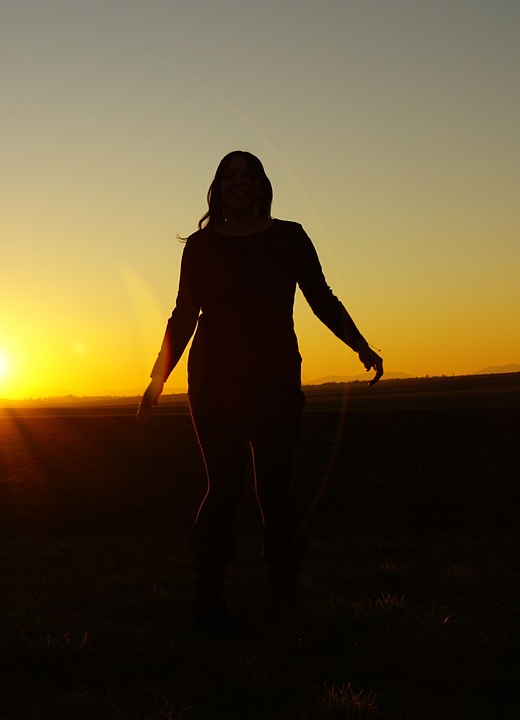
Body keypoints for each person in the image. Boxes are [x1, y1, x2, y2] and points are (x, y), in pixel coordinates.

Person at [137, 150, 382, 634]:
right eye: (229, 176)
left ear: (262, 185)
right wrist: (157, 378)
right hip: (213, 383)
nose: (238, 183)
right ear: (217, 187)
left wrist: (360, 345)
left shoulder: (289, 237)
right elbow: (184, 312)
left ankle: (283, 595)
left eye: (247, 175)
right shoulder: (202, 246)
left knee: (275, 489)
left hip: (274, 379)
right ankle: (209, 600)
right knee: (223, 488)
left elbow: (321, 298)